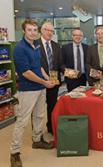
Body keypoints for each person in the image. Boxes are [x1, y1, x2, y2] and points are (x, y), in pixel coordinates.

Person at [10, 19, 55, 167]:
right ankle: (14, 152)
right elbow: (26, 73)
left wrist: (46, 76)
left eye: (35, 30)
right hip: (28, 90)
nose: (33, 32)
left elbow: (38, 66)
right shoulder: (19, 48)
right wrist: (43, 82)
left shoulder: (35, 45)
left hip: (40, 89)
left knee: (39, 116)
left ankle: (37, 140)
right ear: (24, 31)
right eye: (29, 30)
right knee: (22, 121)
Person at [38, 22, 62, 135]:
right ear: (42, 30)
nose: (50, 33)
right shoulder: (35, 44)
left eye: (52, 31)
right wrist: (45, 78)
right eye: (47, 30)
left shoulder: (56, 45)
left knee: (52, 106)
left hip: (54, 82)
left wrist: (68, 72)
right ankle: (37, 134)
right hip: (38, 82)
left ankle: (51, 128)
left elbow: (60, 64)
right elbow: (35, 65)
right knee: (38, 109)